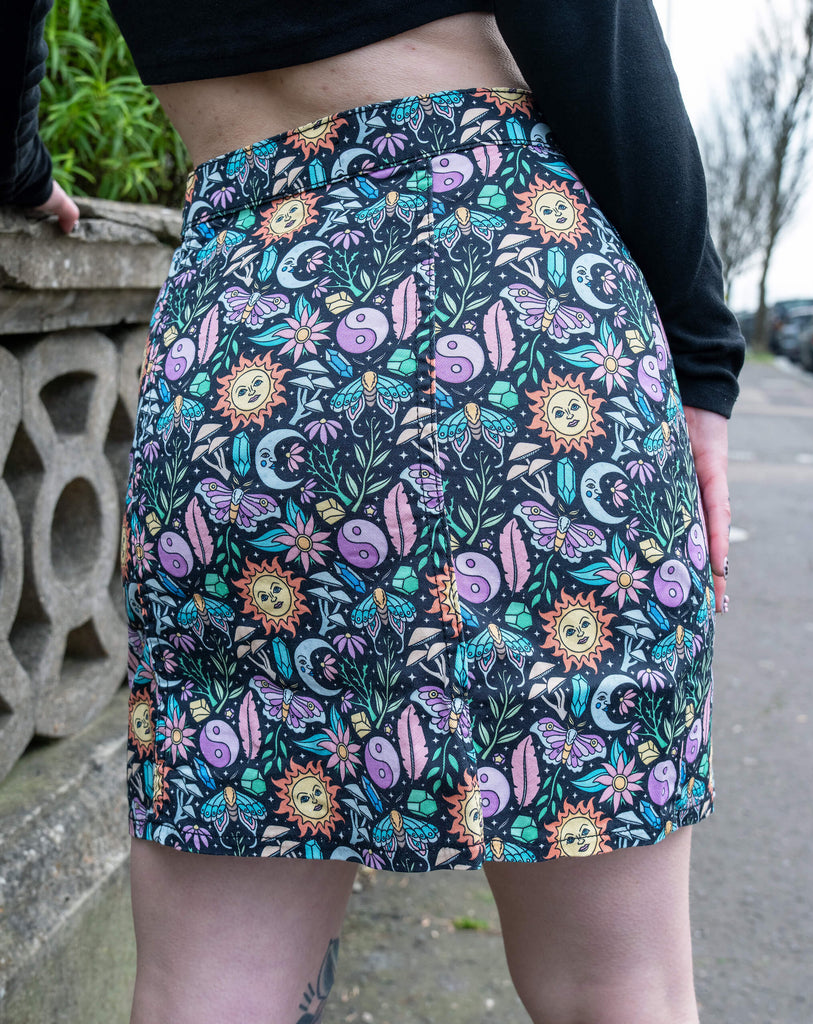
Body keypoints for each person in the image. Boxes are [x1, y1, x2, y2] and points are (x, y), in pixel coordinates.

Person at [3, 3, 743, 1022]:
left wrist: (17, 165)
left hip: (247, 332)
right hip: (510, 305)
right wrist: (702, 355)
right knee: (617, 985)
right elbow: (588, 26)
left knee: (208, 984)